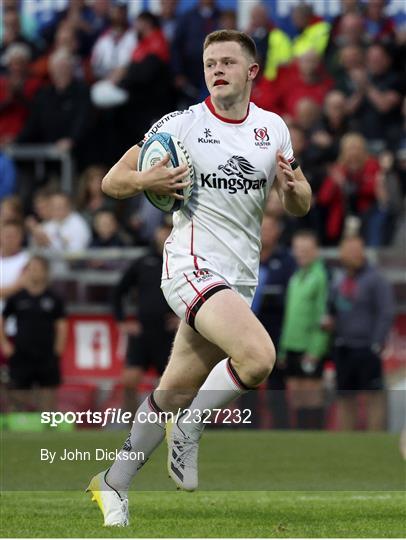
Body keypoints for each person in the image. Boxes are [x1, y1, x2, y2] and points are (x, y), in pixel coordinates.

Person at [87, 29, 311, 527]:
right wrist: (147, 180)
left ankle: (112, 482)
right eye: (210, 62)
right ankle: (190, 428)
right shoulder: (180, 125)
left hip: (238, 279)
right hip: (191, 266)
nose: (216, 70)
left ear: (252, 72)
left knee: (173, 390)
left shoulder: (273, 129)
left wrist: (296, 189)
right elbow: (111, 181)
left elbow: (298, 204)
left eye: (228, 62)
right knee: (257, 358)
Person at [325, 236, 394, 430]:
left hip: (366, 347)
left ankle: (374, 440)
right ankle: (347, 443)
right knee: (345, 397)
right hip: (343, 347)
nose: (352, 255)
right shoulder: (339, 280)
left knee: (374, 397)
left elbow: (386, 311)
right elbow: (334, 310)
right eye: (348, 251)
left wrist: (376, 342)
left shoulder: (376, 279)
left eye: (356, 251)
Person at [112, 221, 178, 415]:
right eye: (163, 229)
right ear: (156, 232)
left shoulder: (184, 261)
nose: (165, 233)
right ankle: (132, 426)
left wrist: (183, 318)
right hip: (143, 331)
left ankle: (169, 427)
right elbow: (118, 291)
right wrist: (122, 320)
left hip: (169, 333)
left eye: (170, 229)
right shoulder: (143, 262)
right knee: (130, 381)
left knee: (169, 386)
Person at [0, 256, 67, 411]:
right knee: (19, 390)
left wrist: (59, 348)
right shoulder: (17, 298)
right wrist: (4, 343)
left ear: (45, 272)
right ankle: (22, 422)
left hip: (47, 351)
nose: (33, 273)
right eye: (30, 269)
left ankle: (47, 423)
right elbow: (2, 320)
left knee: (48, 389)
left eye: (37, 269)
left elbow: (62, 325)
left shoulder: (54, 298)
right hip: (21, 351)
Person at [279, 230, 330, 429]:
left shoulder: (320, 277)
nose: (300, 254)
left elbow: (323, 316)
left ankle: (315, 438)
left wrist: (316, 350)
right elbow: (289, 317)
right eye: (297, 249)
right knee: (296, 397)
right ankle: (300, 440)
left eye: (305, 250)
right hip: (291, 344)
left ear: (316, 251)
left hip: (309, 347)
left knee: (312, 396)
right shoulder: (296, 276)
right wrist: (283, 348)